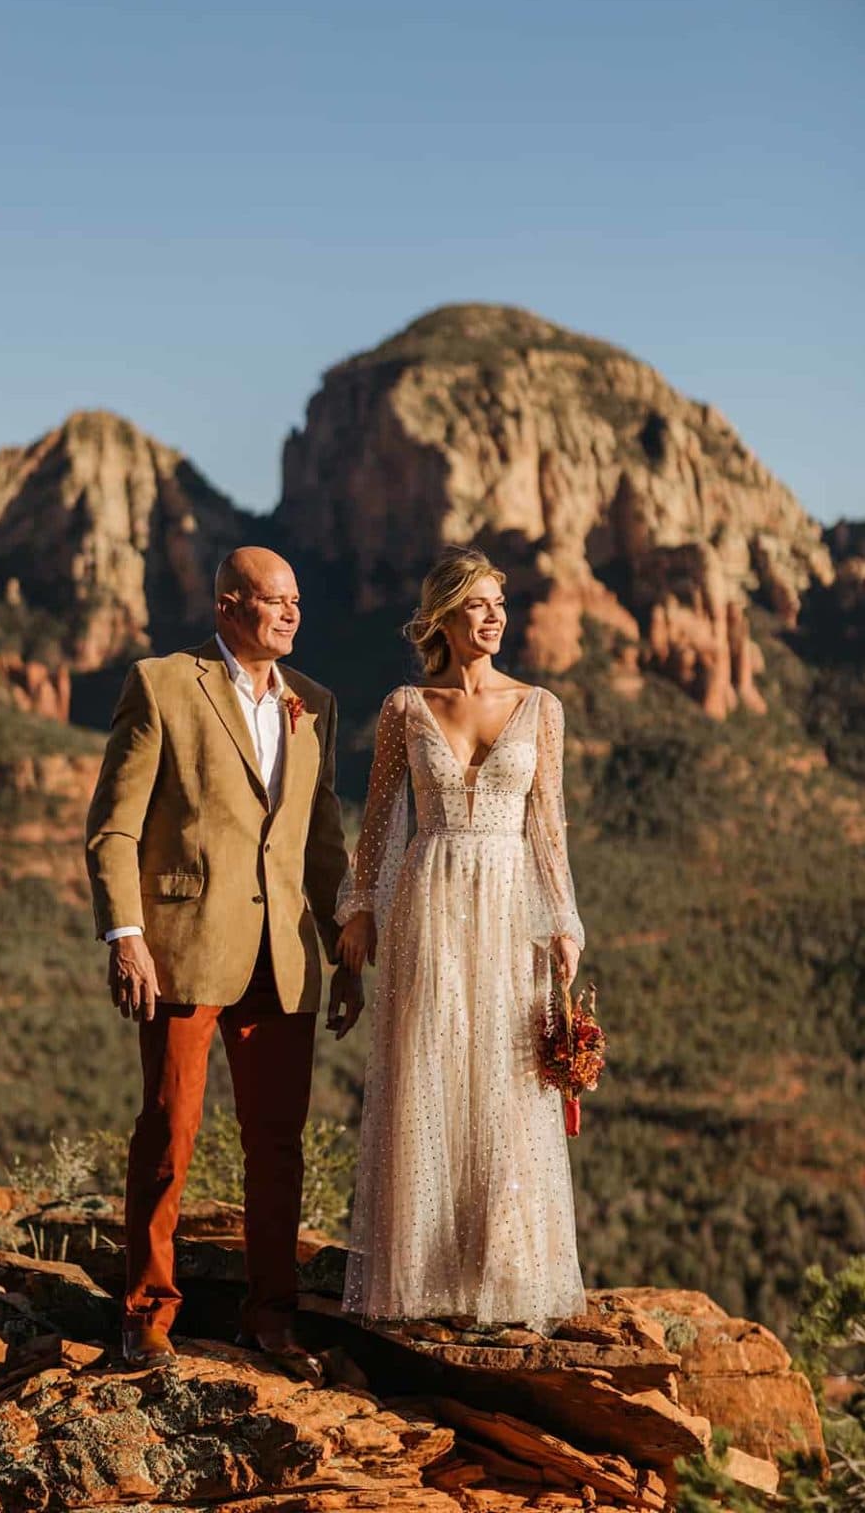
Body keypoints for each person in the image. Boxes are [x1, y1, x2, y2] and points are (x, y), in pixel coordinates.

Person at [85, 546, 362, 1379]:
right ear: (228, 605)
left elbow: (320, 844)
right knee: (169, 1133)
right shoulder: (164, 683)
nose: (291, 614)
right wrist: (124, 935)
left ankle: (270, 1322)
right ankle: (147, 1318)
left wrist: (346, 948)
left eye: (299, 602)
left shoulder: (314, 703)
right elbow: (115, 828)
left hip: (286, 960)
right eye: (275, 601)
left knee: (278, 1146)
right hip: (183, 951)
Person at [336, 545, 587, 1332]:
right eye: (477, 605)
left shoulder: (540, 707)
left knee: (507, 1080)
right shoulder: (405, 708)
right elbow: (376, 822)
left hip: (512, 902)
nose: (494, 619)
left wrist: (565, 921)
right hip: (429, 901)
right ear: (442, 616)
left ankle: (503, 1271)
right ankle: (425, 1275)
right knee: (429, 1071)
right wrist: (360, 909)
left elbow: (549, 826)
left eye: (500, 606)